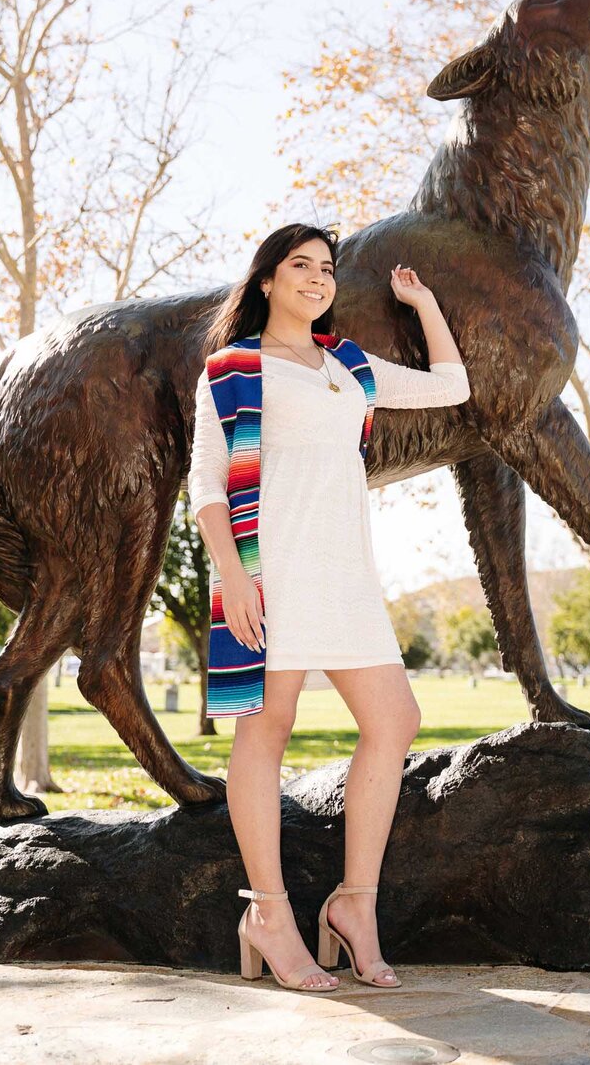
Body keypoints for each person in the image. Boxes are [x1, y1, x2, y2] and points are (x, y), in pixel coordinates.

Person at [187, 222, 469, 992]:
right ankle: (270, 913)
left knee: (394, 721)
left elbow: (453, 385)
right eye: (300, 265)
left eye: (327, 268)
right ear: (268, 281)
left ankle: (354, 903)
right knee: (266, 727)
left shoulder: (348, 364)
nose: (317, 278)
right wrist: (235, 580)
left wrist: (424, 304)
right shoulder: (233, 367)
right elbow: (207, 483)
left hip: (344, 573)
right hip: (267, 570)